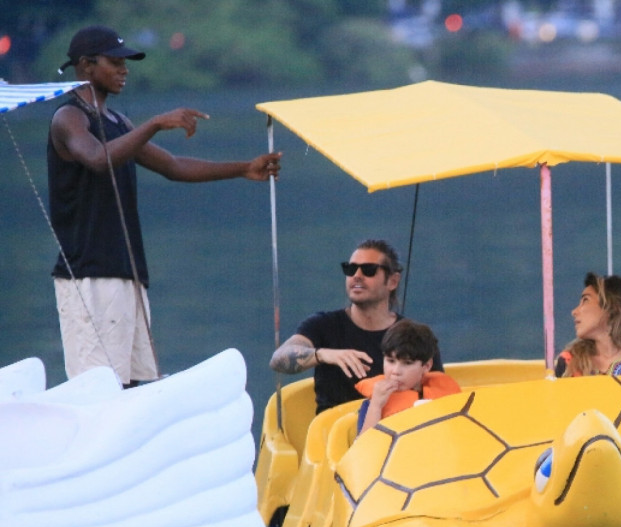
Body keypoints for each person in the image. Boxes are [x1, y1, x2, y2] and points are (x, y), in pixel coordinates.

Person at [49, 25, 282, 386]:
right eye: (115, 62)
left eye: (125, 63)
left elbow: (173, 166)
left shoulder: (117, 122)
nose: (124, 70)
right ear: (85, 65)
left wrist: (243, 168)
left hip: (127, 272)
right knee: (99, 388)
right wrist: (155, 123)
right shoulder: (69, 117)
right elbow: (96, 158)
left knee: (138, 384)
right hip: (89, 275)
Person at [270, 239, 443, 414]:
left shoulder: (416, 337)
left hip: (396, 428)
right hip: (334, 430)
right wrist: (323, 354)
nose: (357, 275)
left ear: (393, 281)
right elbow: (278, 360)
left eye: (369, 270)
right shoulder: (323, 324)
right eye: (350, 269)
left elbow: (437, 396)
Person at [354, 319, 460, 433]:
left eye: (407, 363)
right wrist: (376, 406)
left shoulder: (448, 397)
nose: (396, 371)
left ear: (426, 366)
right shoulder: (372, 403)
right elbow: (364, 442)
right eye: (390, 361)